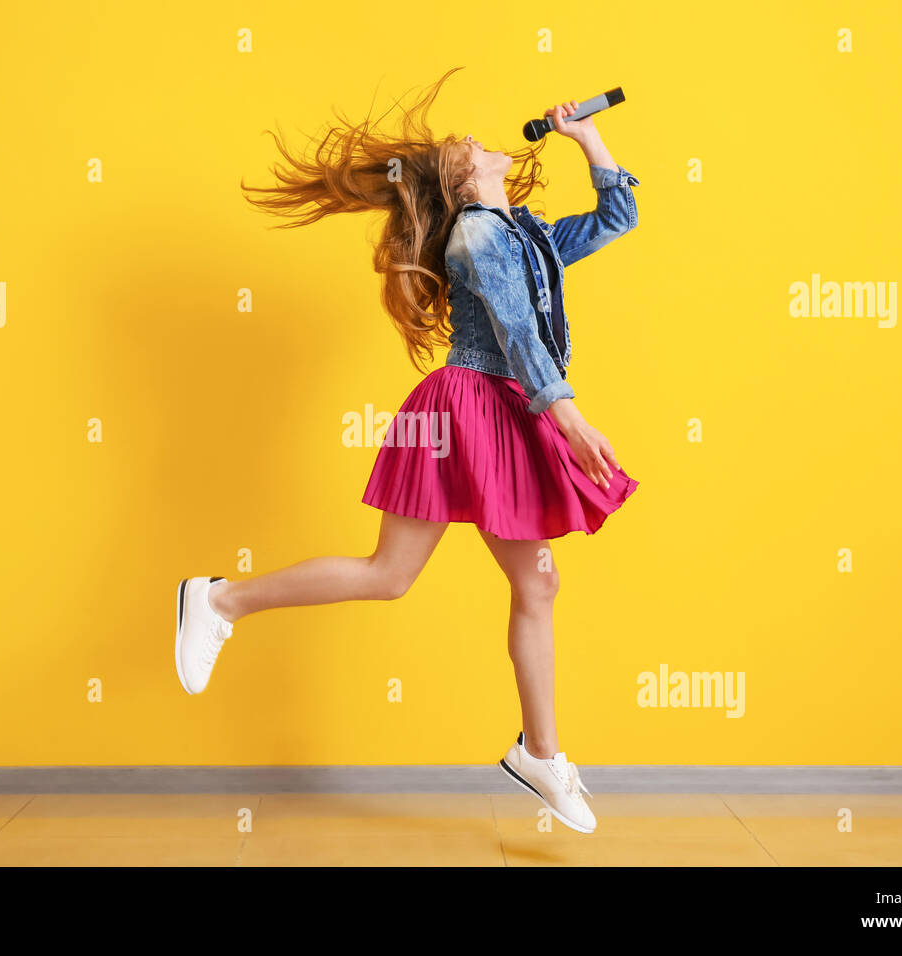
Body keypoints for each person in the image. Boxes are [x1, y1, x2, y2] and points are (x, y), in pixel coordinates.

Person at [175, 69, 640, 834]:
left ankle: (542, 754)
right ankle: (218, 600)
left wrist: (588, 138)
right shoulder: (477, 234)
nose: (478, 141)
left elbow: (617, 217)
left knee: (527, 586)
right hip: (471, 408)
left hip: (512, 407)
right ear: (459, 182)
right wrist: (571, 419)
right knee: (393, 576)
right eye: (464, 147)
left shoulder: (523, 231)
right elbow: (520, 336)